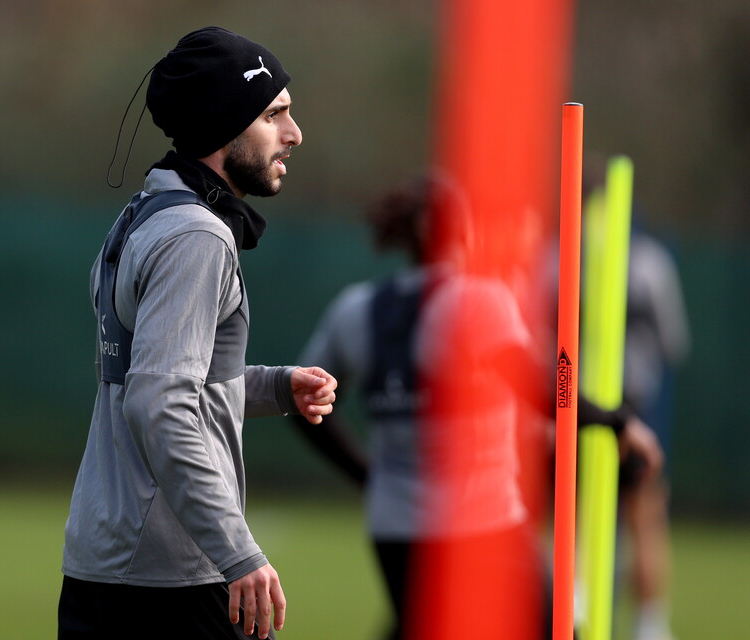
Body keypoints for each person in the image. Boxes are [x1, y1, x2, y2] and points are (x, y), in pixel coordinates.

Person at [289, 173, 663, 640]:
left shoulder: (355, 309)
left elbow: (300, 402)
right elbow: (543, 385)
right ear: (465, 231)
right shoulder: (477, 298)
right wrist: (615, 421)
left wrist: (369, 475)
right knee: (556, 629)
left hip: (395, 529)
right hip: (480, 523)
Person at [58, 27, 338, 640]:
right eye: (274, 114)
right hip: (170, 578)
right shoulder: (196, 235)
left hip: (101, 566)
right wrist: (237, 550)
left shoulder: (142, 214)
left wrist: (275, 387)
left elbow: (155, 377)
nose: (294, 134)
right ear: (224, 126)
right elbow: (160, 402)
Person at [620, 222, 690, 640]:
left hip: (571, 402)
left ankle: (574, 606)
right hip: (631, 405)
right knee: (644, 518)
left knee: (568, 518)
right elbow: (672, 343)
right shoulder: (650, 262)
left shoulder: (556, 258)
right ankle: (648, 625)